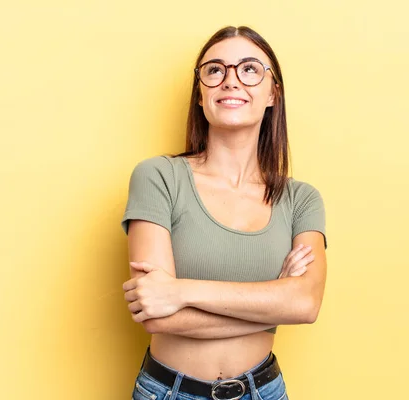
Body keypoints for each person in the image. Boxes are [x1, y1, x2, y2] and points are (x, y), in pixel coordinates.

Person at [121, 25, 327, 400]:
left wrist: (182, 291)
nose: (230, 81)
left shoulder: (301, 199)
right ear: (201, 95)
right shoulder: (158, 177)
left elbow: (306, 303)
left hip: (263, 391)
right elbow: (155, 312)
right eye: (214, 70)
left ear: (272, 93)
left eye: (249, 69)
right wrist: (272, 302)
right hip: (168, 392)